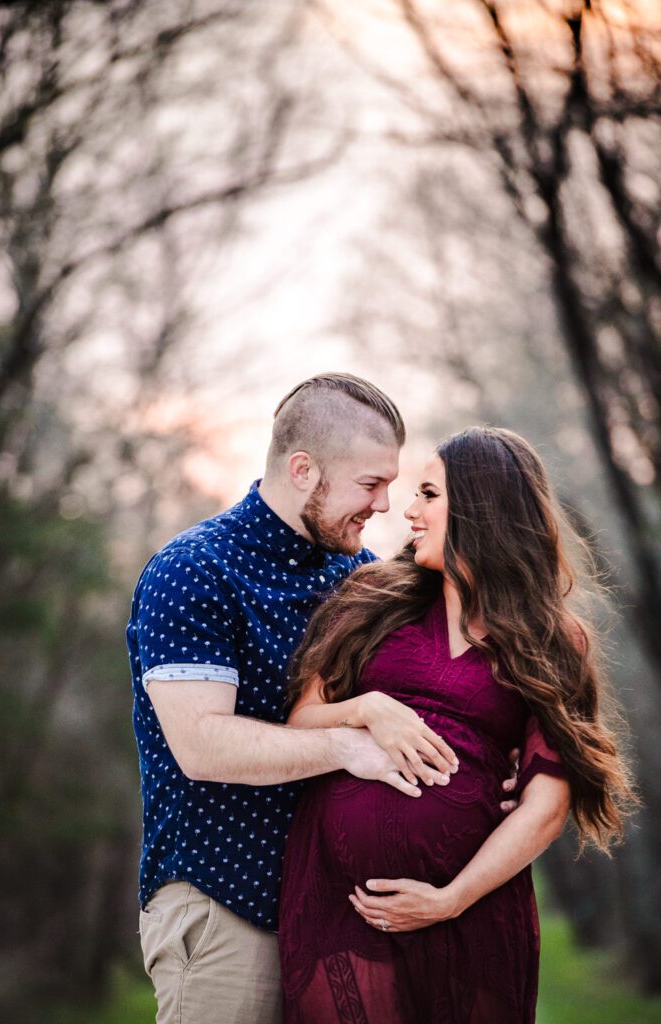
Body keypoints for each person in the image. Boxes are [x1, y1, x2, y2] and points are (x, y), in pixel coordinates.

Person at [127, 373, 463, 1024]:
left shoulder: (356, 576)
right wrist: (346, 745)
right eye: (369, 484)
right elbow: (202, 746)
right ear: (303, 470)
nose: (383, 505)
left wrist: (488, 772)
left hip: (339, 914)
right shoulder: (193, 571)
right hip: (226, 908)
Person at [279, 426, 635, 1024]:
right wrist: (365, 709)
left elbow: (547, 805)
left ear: (480, 507)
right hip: (345, 910)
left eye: (428, 495)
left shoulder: (552, 639)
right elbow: (301, 722)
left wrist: (449, 900)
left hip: (473, 914)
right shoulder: (369, 603)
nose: (408, 512)